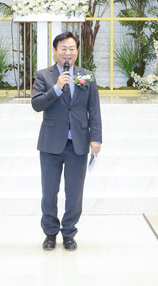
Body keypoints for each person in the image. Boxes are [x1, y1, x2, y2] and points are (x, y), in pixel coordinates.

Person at [31, 31, 102, 251]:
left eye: (72, 49)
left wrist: (96, 138)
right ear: (55, 51)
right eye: (63, 49)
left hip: (78, 144)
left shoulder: (87, 76)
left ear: (77, 51)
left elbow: (94, 110)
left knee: (74, 193)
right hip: (51, 144)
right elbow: (36, 104)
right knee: (49, 193)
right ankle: (50, 233)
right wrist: (56, 88)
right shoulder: (43, 76)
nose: (67, 53)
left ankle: (69, 233)